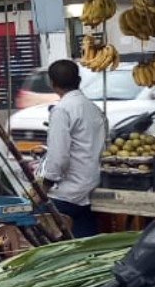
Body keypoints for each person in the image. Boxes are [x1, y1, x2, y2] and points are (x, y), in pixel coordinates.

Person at [37, 59, 106, 238]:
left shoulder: (62, 111)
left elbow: (58, 157)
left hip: (68, 193)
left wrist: (44, 186)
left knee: (36, 225)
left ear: (52, 83)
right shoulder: (94, 109)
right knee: (85, 243)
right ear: (79, 80)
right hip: (91, 187)